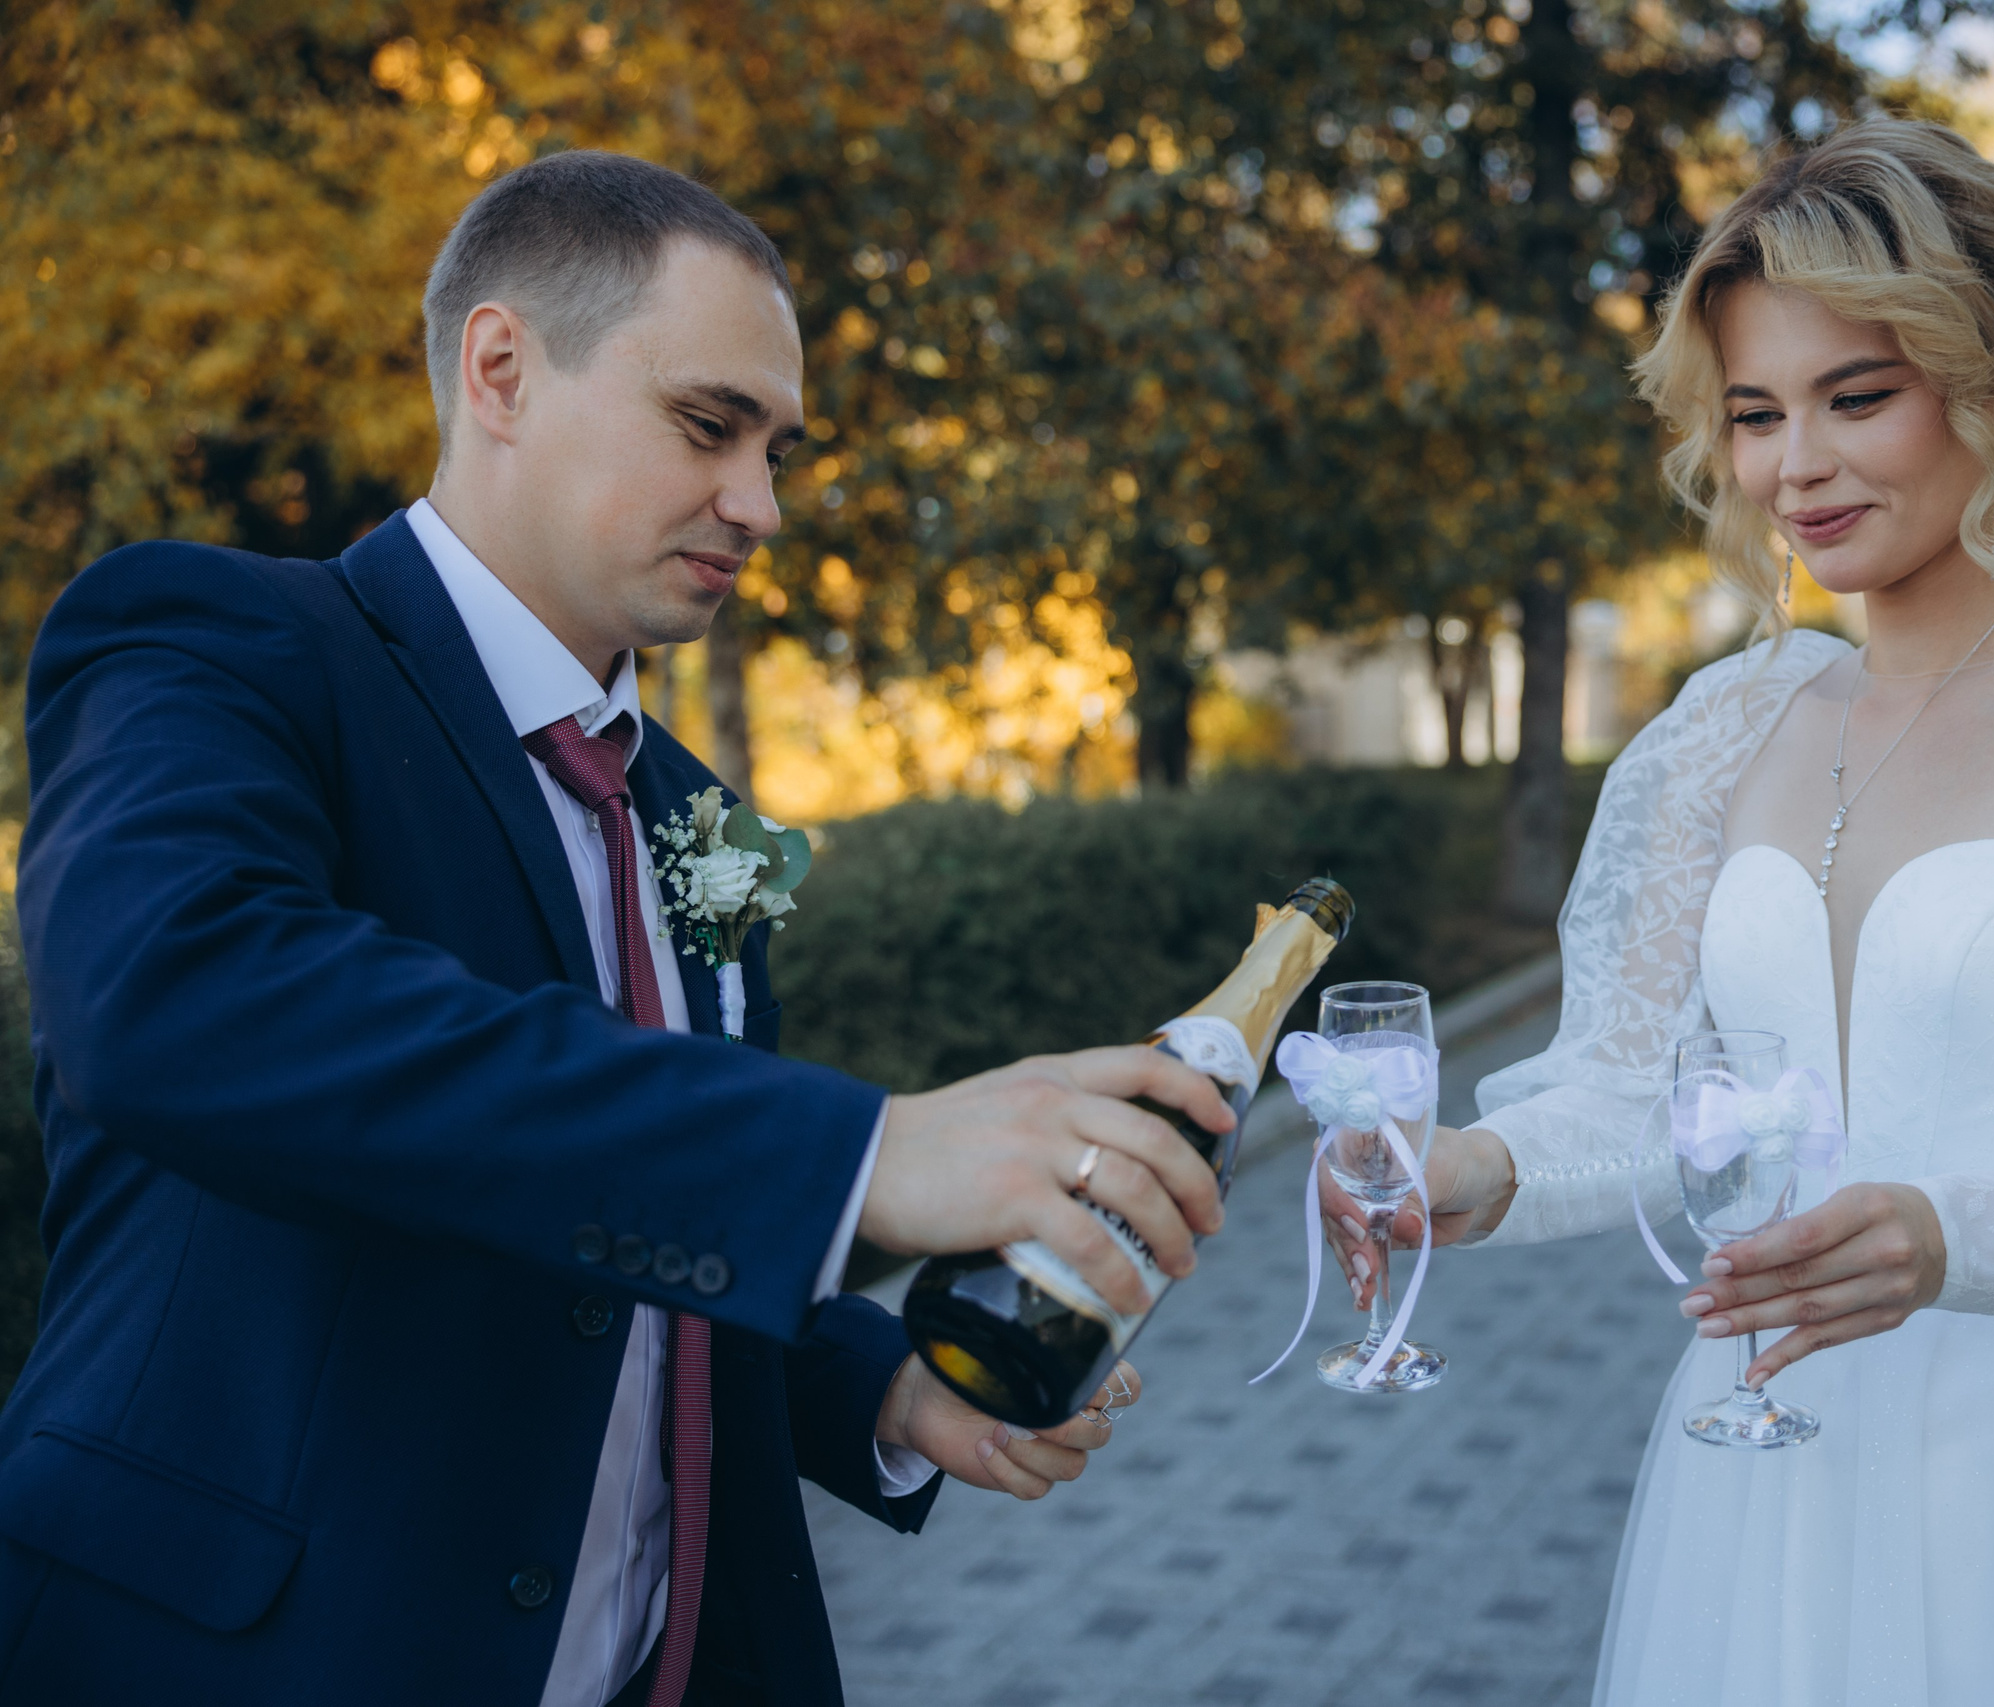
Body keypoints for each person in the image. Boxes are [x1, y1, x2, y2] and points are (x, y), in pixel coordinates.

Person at [0, 150, 1233, 1706]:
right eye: (708, 427)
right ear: (502, 368)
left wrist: (880, 1389)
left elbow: (623, 1238)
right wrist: (855, 1158)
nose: (761, 505)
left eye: (778, 449)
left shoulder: (700, 818)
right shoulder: (220, 642)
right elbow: (172, 999)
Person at [1326, 119, 1994, 1704]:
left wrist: (1951, 1233)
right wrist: (1467, 1169)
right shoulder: (1719, 733)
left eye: (1857, 398)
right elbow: (1634, 1098)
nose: (1795, 468)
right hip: (1762, 1479)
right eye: (1755, 416)